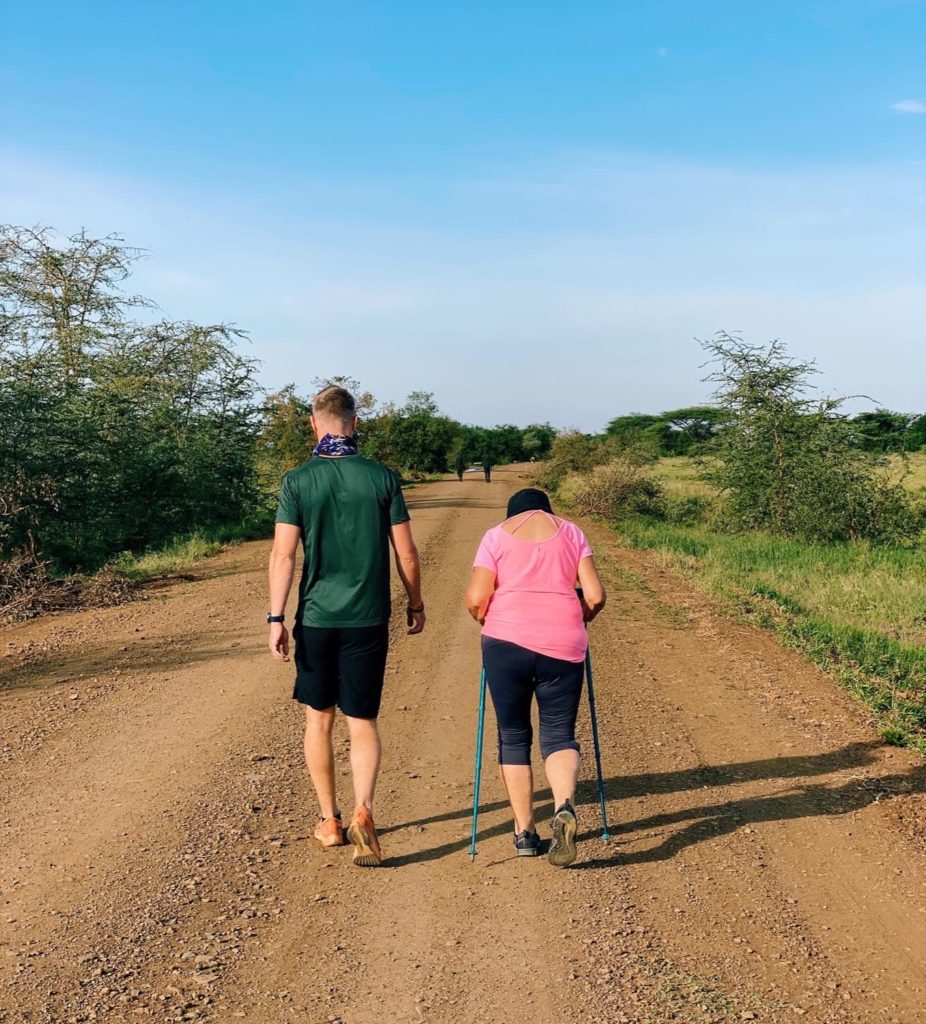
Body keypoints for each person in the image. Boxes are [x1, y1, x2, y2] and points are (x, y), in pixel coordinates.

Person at [268, 385, 426, 867]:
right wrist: (415, 603)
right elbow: (407, 552)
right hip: (368, 619)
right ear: (354, 424)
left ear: (314, 424)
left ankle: (329, 820)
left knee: (319, 719)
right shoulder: (383, 478)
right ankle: (364, 811)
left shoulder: (297, 481)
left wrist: (276, 617)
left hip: (316, 619)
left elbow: (283, 555)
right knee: (362, 720)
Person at [465, 487, 605, 866]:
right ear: (548, 511)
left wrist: (488, 620)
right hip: (564, 641)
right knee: (559, 734)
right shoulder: (572, 533)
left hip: (505, 641)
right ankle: (563, 805)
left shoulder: (495, 536)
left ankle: (525, 832)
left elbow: (477, 598)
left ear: (512, 514)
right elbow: (594, 595)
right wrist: (580, 619)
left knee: (513, 734)